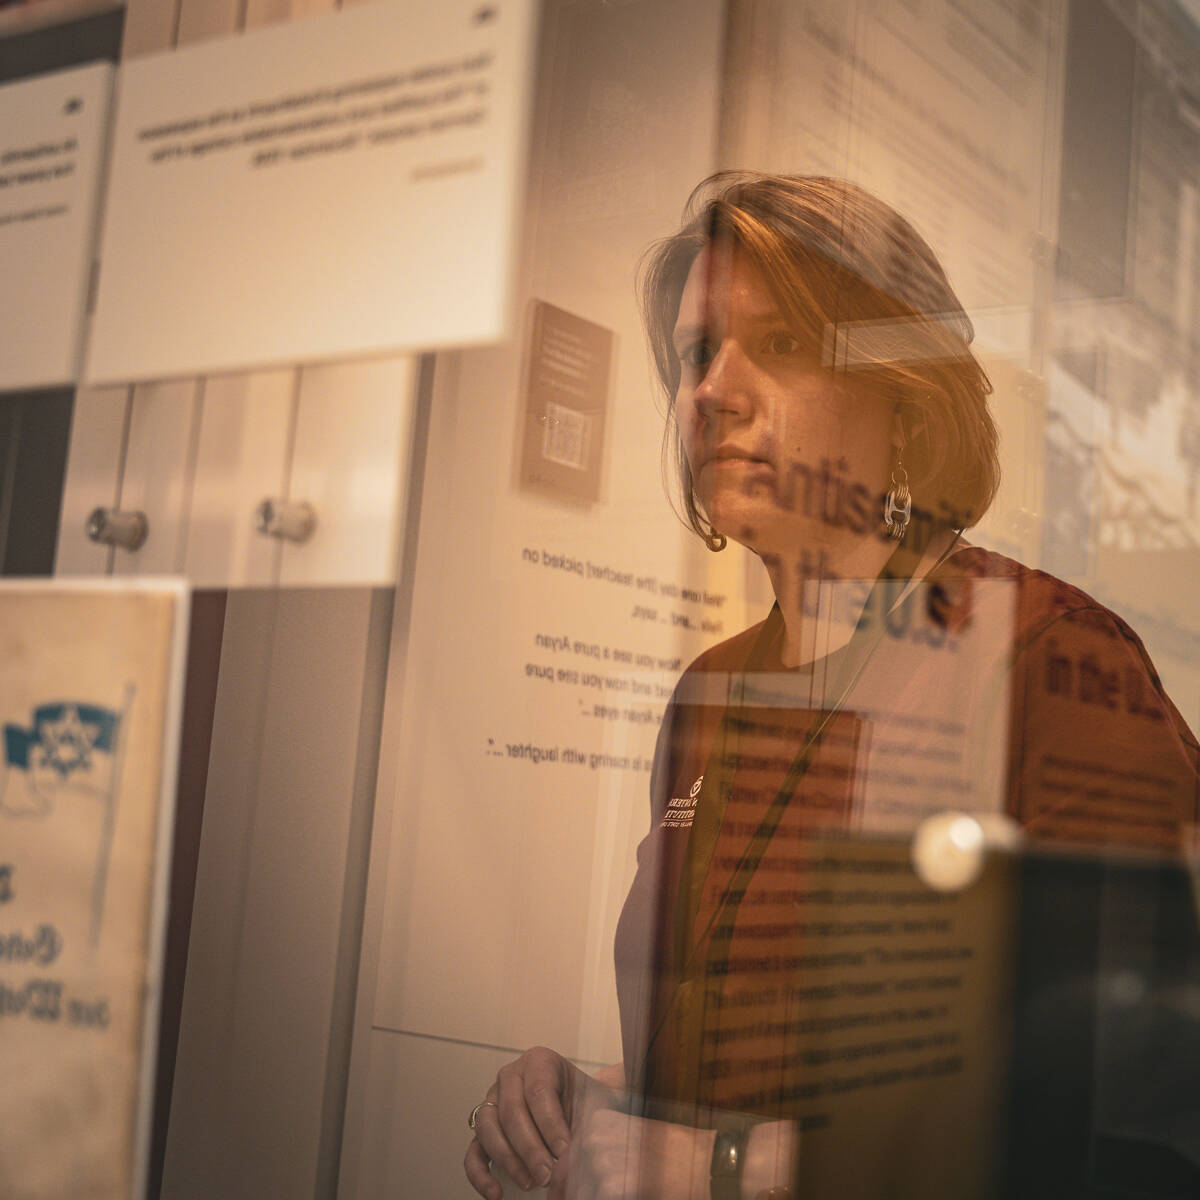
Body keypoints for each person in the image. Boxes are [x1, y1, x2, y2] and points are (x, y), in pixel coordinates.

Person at [464, 174, 1200, 1200]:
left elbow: (1137, 1107)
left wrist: (719, 1168)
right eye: (696, 355)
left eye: (784, 346)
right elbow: (748, 1044)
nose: (714, 390)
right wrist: (589, 1103)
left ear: (907, 401)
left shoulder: (1048, 657)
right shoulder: (714, 694)